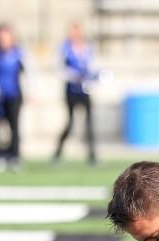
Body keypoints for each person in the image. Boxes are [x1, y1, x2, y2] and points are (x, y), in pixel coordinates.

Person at [52, 22, 97, 166]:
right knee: (70, 122)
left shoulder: (88, 47)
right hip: (71, 90)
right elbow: (59, 68)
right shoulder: (64, 48)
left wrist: (93, 77)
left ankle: (92, 155)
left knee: (89, 123)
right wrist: (72, 75)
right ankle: (58, 152)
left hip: (85, 90)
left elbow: (93, 66)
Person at [0, 24, 24, 171]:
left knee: (14, 126)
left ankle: (14, 155)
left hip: (14, 94)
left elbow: (28, 72)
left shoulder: (18, 54)